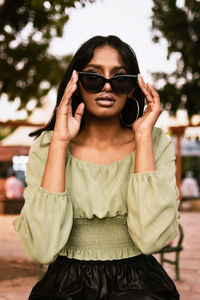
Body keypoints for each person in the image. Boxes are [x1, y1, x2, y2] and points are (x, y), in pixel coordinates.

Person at [13, 35, 180, 299]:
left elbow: (151, 239)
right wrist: (60, 141)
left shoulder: (155, 143)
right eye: (93, 77)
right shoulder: (47, 146)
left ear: (133, 87)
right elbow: (42, 249)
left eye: (120, 78)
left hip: (141, 288)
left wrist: (143, 137)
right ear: (76, 83)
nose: (106, 87)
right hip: (64, 289)